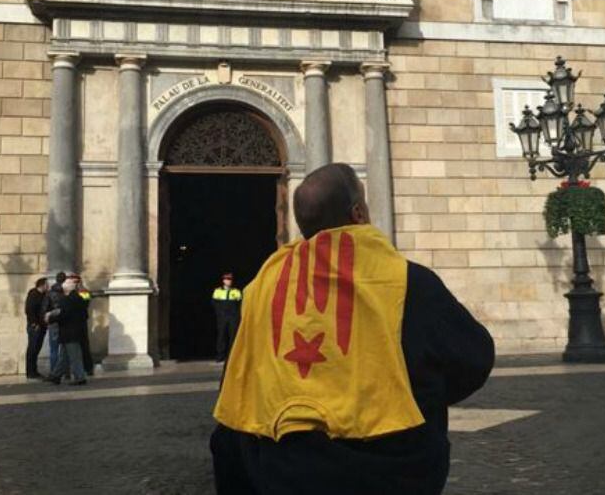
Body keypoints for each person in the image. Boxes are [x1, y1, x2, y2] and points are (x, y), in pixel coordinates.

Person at [211, 163, 495, 495]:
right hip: (390, 470)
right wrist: (413, 397)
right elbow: (473, 359)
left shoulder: (262, 285)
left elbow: (240, 378)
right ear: (359, 213)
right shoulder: (407, 280)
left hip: (282, 469)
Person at [44, 277, 88, 386]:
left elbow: (64, 315)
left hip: (69, 332)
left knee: (74, 356)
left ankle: (80, 377)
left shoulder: (66, 300)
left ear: (66, 289)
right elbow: (85, 314)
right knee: (64, 356)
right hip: (74, 331)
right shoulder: (79, 298)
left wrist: (50, 319)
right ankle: (56, 375)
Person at [211, 273, 242, 363]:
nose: (229, 281)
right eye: (227, 279)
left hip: (233, 317)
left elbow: (239, 304)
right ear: (223, 281)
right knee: (221, 336)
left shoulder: (236, 291)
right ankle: (220, 355)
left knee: (233, 336)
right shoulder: (217, 291)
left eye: (230, 279)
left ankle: (232, 356)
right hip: (222, 317)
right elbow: (214, 304)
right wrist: (219, 314)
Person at [24, 277, 49, 379]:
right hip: (35, 326)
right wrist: (34, 323)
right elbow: (29, 310)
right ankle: (30, 371)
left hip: (42, 325)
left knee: (37, 348)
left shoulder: (44, 295)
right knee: (32, 348)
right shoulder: (33, 294)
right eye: (47, 284)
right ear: (42, 285)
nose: (48, 286)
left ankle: (34, 370)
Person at [43, 271, 66, 375]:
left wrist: (47, 318)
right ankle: (65, 371)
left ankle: (54, 371)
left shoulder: (49, 293)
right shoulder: (66, 293)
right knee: (65, 349)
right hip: (64, 322)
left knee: (54, 349)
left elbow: (44, 308)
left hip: (53, 322)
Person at [71, 274, 94, 377]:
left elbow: (86, 303)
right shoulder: (70, 293)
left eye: (77, 282)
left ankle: (88, 368)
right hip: (72, 321)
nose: (75, 284)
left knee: (84, 345)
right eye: (74, 282)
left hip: (81, 321)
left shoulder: (84, 291)